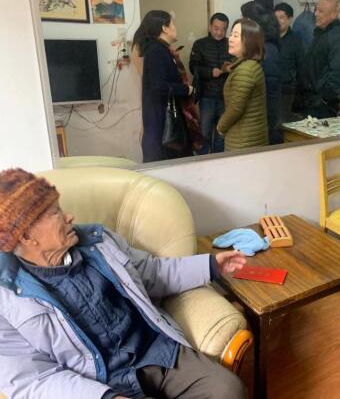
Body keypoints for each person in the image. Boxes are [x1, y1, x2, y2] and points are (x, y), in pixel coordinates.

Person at [0, 168, 247, 399]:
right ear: (26, 236)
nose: (69, 216)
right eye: (55, 213)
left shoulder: (98, 241)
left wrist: (210, 266)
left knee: (226, 390)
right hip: (96, 383)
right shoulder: (7, 299)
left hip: (156, 351)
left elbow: (152, 272)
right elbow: (31, 379)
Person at [133, 10, 195, 163]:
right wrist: (186, 89)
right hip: (162, 125)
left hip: (162, 121)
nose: (175, 28)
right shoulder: (156, 51)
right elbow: (158, 87)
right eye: (173, 24)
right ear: (164, 28)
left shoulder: (160, 49)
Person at [296, 0, 340, 119]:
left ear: (334, 14)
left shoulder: (339, 38)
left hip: (321, 105)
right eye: (316, 10)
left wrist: (323, 99)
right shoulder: (321, 33)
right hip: (308, 100)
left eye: (321, 11)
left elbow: (339, 74)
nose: (316, 14)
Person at [216, 19, 268, 151]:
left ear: (249, 41)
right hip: (249, 137)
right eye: (231, 34)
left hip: (243, 141)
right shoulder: (248, 64)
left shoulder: (246, 69)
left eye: (236, 35)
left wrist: (220, 127)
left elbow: (236, 108)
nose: (230, 39)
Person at [189, 13, 233, 155]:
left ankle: (219, 160)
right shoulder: (200, 44)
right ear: (210, 27)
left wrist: (230, 68)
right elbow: (193, 67)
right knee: (204, 133)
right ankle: (203, 161)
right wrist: (210, 72)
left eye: (223, 29)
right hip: (207, 96)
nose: (219, 32)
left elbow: (237, 64)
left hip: (226, 97)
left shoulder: (231, 44)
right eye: (216, 28)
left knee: (222, 133)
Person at [241, 1, 283, 145]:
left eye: (243, 18)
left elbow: (270, 88)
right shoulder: (259, 46)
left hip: (264, 114)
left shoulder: (267, 49)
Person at [274, 2, 305, 123]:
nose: (277, 21)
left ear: (290, 19)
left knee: (281, 123)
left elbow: (301, 68)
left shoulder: (296, 41)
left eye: (281, 17)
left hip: (286, 92)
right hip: (269, 89)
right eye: (275, 18)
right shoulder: (268, 38)